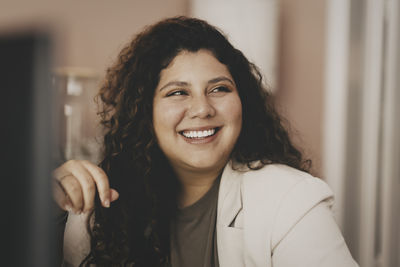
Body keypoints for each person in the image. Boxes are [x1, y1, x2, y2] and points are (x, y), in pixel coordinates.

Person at [53, 16, 359, 267]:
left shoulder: (291, 201)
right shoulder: (101, 207)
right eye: (178, 92)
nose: (202, 109)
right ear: (145, 113)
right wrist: (44, 205)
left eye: (219, 89)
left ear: (244, 102)